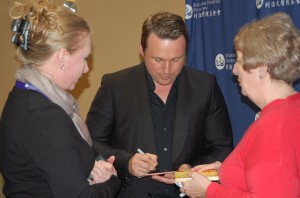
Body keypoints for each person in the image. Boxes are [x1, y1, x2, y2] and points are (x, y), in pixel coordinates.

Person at [86, 11, 233, 197]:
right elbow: (90, 143)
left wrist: (191, 169)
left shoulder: (205, 86)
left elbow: (222, 147)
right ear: (141, 50)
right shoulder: (115, 86)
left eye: (176, 59)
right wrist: (127, 163)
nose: (167, 70)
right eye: (158, 60)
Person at [0, 0, 121, 197]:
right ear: (63, 57)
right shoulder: (45, 116)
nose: (86, 68)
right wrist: (112, 180)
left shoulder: (23, 96)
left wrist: (89, 171)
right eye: (84, 58)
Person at [178, 12, 300, 197]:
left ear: (262, 68)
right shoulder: (292, 108)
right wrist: (227, 172)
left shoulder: (273, 126)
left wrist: (209, 191)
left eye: (239, 61)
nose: (234, 70)